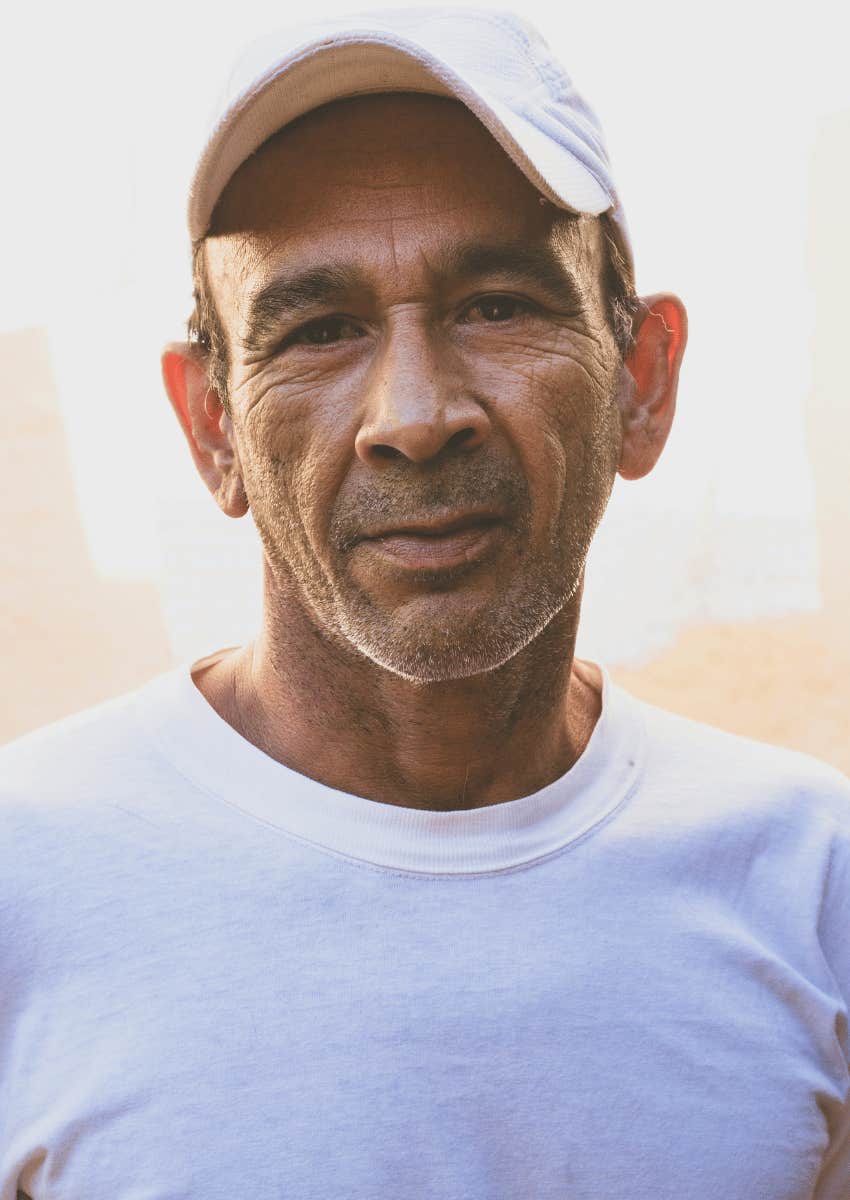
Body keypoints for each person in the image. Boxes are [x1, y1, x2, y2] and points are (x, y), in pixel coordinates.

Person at [1, 8, 848, 1198]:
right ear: (211, 429)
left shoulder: (811, 882)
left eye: (496, 304)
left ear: (643, 382)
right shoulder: (24, 880)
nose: (412, 413)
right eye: (320, 328)